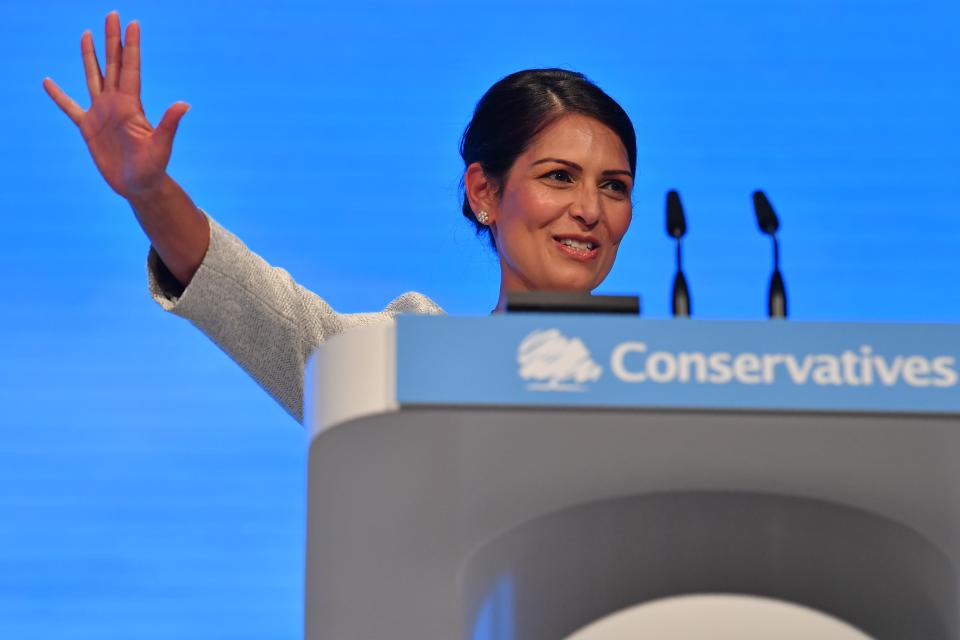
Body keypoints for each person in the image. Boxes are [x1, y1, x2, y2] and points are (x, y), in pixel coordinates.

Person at [43, 12, 638, 424]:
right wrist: (148, 190)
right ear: (484, 190)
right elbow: (257, 307)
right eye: (558, 177)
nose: (589, 210)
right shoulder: (405, 359)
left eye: (614, 187)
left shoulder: (681, 374)